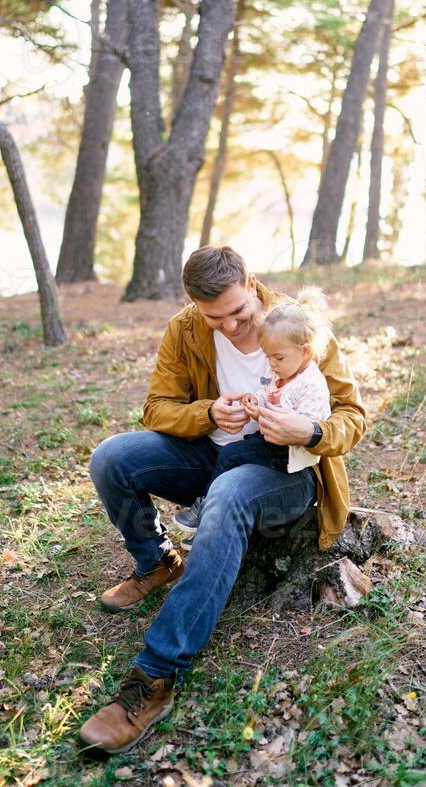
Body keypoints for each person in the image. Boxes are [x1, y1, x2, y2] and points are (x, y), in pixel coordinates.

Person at [78, 246, 366, 756]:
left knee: (227, 496)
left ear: (251, 283)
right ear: (195, 307)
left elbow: (352, 416)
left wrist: (312, 429)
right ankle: (157, 561)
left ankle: (156, 675)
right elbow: (157, 408)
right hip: (206, 457)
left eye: (239, 313)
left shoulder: (299, 325)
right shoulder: (185, 329)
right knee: (111, 457)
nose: (231, 327)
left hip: (284, 474)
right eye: (216, 319)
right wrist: (208, 413)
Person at [172, 286, 333, 545]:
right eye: (269, 357)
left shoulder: (310, 383)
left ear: (304, 352)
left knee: (230, 455)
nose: (273, 364)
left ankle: (208, 515)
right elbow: (266, 392)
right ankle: (209, 516)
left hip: (289, 454)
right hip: (268, 441)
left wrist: (265, 414)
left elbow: (306, 423)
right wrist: (253, 401)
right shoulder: (282, 373)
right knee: (236, 454)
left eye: (278, 357)